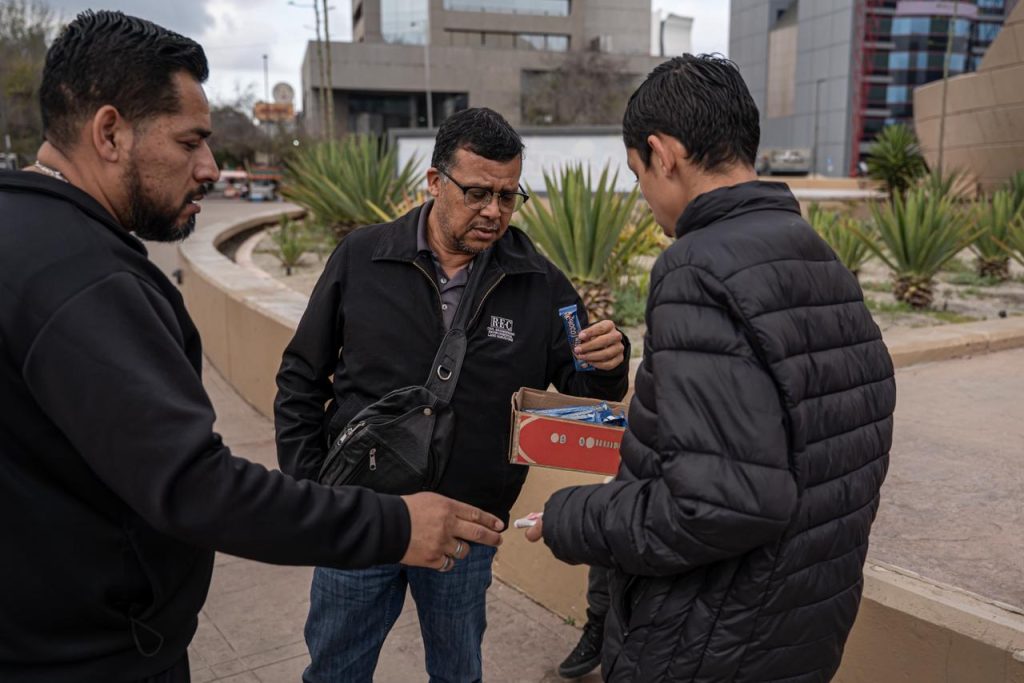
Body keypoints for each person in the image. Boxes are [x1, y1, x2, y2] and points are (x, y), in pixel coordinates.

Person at [0, 12, 505, 683]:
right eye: (190, 141)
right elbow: (197, 485)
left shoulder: (25, 233)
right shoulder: (80, 277)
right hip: (87, 658)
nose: (210, 167)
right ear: (110, 132)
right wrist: (385, 521)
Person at [526, 54, 897, 682]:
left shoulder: (696, 268)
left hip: (709, 641)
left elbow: (721, 506)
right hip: (803, 627)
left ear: (663, 153)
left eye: (638, 173)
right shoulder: (820, 260)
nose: (644, 196)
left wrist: (572, 517)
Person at [274, 106, 631, 682]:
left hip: (468, 526)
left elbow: (584, 393)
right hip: (362, 513)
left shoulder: (541, 283)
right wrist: (311, 487)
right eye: (477, 193)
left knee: (458, 673)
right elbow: (300, 376)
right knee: (335, 670)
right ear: (435, 181)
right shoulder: (362, 256)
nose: (493, 211)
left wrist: (609, 364)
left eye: (508, 196)